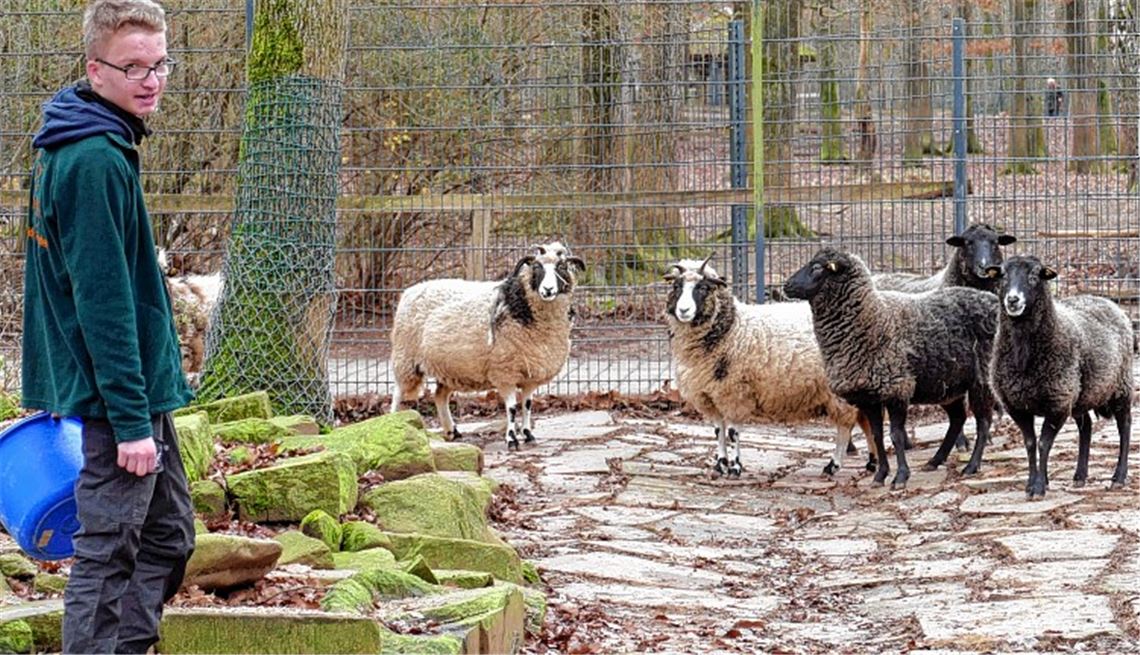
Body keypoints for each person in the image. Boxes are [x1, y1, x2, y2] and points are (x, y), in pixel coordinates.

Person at [21, 1, 195, 652]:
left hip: (135, 385)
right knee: (110, 545)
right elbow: (101, 300)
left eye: (161, 65)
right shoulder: (92, 158)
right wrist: (128, 422)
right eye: (133, 67)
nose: (151, 80)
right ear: (96, 69)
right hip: (117, 394)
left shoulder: (90, 136)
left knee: (168, 533)